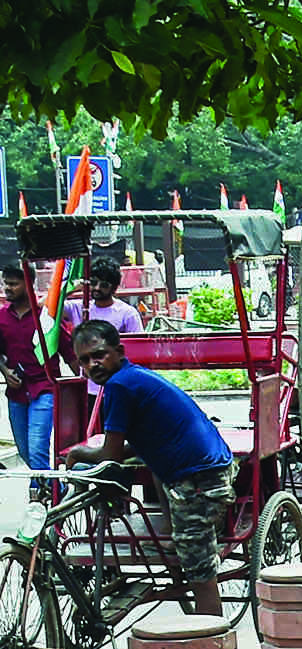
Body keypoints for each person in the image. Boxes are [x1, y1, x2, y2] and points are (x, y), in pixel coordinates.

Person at [64, 320, 236, 618]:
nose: (93, 365)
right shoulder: (131, 376)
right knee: (150, 464)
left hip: (201, 478)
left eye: (99, 355)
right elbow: (134, 447)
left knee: (200, 574)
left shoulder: (120, 386)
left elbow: (112, 453)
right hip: (199, 468)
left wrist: (79, 452)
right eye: (85, 360)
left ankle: (209, 647)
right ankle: (173, 535)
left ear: (118, 351)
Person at [2, 264, 71, 476]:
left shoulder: (47, 318)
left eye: (13, 284)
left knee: (37, 450)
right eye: (5, 283)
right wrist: (4, 371)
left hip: (45, 388)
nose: (7, 288)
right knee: (25, 452)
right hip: (16, 393)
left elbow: (71, 353)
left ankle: (39, 499)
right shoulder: (2, 318)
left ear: (28, 285)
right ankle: (56, 489)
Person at [64, 259, 146, 396]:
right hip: (88, 388)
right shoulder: (78, 307)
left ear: (114, 288)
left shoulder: (127, 313)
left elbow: (138, 351)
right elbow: (45, 306)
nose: (97, 288)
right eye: (93, 283)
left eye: (104, 285)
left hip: (117, 387)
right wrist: (72, 288)